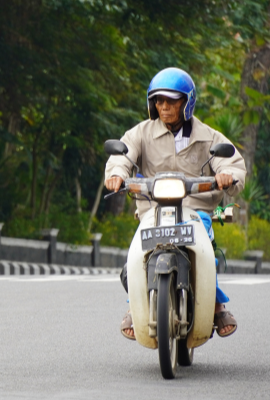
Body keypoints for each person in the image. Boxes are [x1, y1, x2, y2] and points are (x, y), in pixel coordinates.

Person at [104, 67, 246, 340]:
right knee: (137, 251)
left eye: (171, 101)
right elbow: (123, 155)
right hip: (153, 208)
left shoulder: (209, 137)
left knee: (204, 246)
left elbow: (231, 162)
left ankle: (217, 305)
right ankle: (135, 306)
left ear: (187, 102)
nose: (164, 107)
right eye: (159, 101)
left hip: (195, 208)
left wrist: (227, 176)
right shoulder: (141, 133)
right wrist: (116, 175)